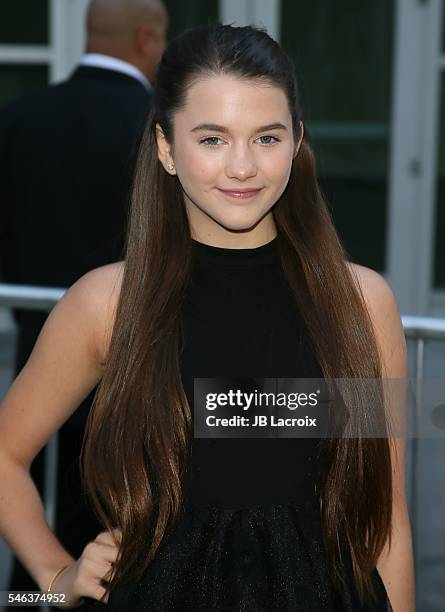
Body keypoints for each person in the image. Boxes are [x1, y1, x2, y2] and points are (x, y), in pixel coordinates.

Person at [0, 23, 415, 611]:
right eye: (213, 138)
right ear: (167, 148)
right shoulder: (110, 303)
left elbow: (385, 516)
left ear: (297, 143)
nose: (242, 166)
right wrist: (56, 575)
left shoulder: (362, 305)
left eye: (267, 137)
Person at [0, 0, 167, 597]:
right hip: (140, 363)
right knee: (109, 520)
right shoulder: (158, 128)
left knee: (46, 519)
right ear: (148, 40)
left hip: (40, 353)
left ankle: (34, 597)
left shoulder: (19, 117)